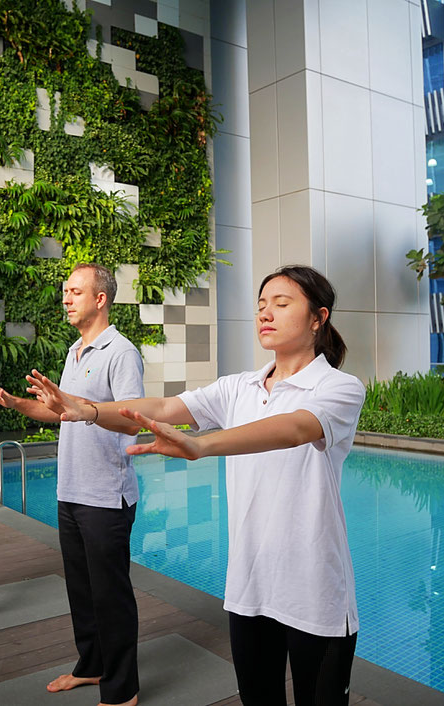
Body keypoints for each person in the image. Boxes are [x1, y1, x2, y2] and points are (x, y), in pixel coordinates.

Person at [28, 265, 366, 706]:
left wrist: (201, 445)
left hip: (314, 592)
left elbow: (295, 427)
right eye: (261, 306)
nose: (265, 314)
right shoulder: (239, 387)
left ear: (318, 318)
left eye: (281, 305)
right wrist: (86, 409)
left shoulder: (339, 387)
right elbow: (165, 405)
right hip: (250, 587)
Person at [0, 263, 143, 706]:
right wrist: (14, 402)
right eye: (65, 291)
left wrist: (75, 404)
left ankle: (122, 690)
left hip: (106, 494)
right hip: (70, 490)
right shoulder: (74, 351)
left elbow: (130, 420)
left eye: (74, 292)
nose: (65, 299)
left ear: (100, 299)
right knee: (82, 591)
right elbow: (59, 411)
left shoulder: (120, 352)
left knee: (111, 597)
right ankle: (92, 666)